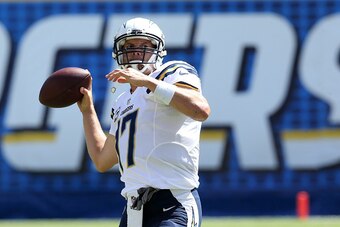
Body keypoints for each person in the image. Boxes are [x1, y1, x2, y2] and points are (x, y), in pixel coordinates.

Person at [77, 17, 211, 227]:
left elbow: (201, 110)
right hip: (133, 211)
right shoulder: (122, 102)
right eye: (130, 45)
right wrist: (88, 111)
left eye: (144, 45)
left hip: (172, 203)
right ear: (119, 51)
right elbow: (102, 160)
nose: (137, 51)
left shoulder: (171, 73)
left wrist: (148, 82)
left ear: (158, 49)